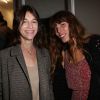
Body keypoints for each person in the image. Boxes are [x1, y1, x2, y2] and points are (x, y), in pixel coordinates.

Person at [0, 5, 54, 100]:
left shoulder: (45, 53)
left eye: (34, 21)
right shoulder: (4, 56)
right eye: (25, 21)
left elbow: (49, 87)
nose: (30, 26)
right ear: (17, 25)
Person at [49, 10, 100, 100]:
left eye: (62, 24)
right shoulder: (63, 53)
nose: (59, 31)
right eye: (55, 28)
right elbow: (60, 87)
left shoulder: (94, 43)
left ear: (72, 24)